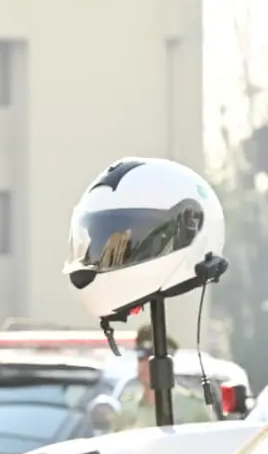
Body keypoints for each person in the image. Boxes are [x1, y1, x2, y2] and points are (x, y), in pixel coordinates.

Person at [65, 156, 228, 435]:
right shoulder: (125, 407)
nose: (105, 255)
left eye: (129, 240)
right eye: (102, 239)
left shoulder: (191, 408)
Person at [112, 324, 217, 431]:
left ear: (167, 363)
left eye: (151, 356)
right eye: (140, 355)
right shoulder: (126, 407)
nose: (145, 363)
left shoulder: (192, 407)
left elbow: (211, 441)